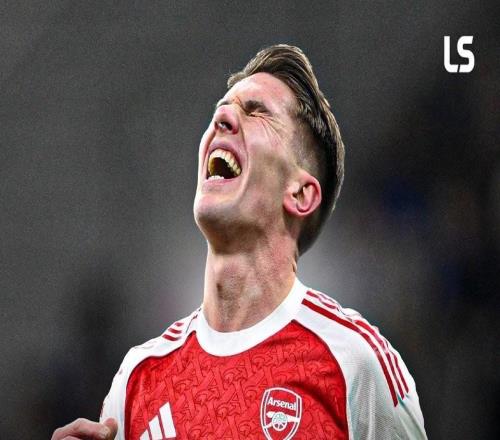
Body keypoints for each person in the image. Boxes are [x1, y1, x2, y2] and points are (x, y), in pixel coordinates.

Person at [52, 44, 427, 440]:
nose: (222, 118)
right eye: (223, 108)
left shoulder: (353, 363)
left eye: (256, 112)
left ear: (300, 194)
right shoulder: (137, 379)